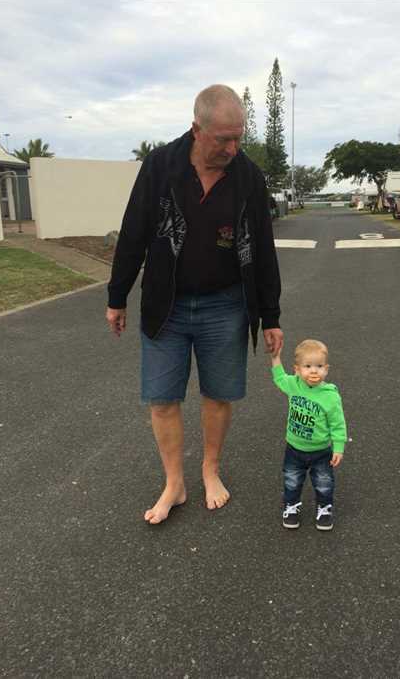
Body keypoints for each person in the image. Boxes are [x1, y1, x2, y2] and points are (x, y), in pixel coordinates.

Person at [106, 84, 283, 524]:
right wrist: (117, 296)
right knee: (162, 398)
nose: (233, 148)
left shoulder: (248, 177)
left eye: (238, 137)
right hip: (165, 305)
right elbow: (133, 231)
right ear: (196, 129)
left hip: (226, 305)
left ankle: (210, 469)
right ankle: (174, 483)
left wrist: (271, 316)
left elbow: (263, 249)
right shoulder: (160, 167)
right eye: (223, 138)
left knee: (219, 394)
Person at [270, 339, 347, 531]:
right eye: (308, 366)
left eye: (319, 366)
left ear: (326, 369)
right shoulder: (294, 385)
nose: (314, 371)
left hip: (321, 451)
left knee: (324, 483)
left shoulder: (330, 396)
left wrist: (338, 447)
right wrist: (275, 358)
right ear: (297, 369)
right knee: (292, 481)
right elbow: (279, 378)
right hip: (294, 449)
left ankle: (324, 508)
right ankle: (291, 506)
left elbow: (338, 424)